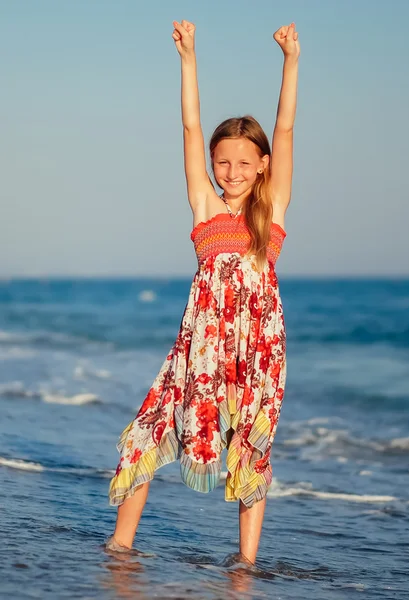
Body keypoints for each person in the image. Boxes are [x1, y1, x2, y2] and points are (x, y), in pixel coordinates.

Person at [106, 19, 299, 565]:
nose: (231, 172)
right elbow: (191, 128)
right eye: (223, 162)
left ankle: (246, 565)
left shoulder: (273, 210)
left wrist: (291, 61)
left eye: (243, 162)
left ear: (262, 167)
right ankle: (120, 548)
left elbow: (283, 132)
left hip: (259, 351)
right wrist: (188, 58)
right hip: (201, 350)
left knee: (252, 454)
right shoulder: (204, 206)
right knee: (143, 435)